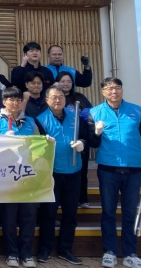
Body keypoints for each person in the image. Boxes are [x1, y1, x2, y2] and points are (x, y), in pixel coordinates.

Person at [88, 77, 141, 268]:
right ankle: (109, 251)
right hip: (108, 169)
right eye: (109, 88)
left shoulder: (137, 111)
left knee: (130, 212)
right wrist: (96, 133)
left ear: (122, 90)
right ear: (103, 92)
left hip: (134, 168)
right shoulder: (95, 112)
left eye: (117, 88)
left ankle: (130, 253)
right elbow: (93, 143)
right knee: (108, 212)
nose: (114, 92)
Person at [36, 85, 91, 265]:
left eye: (61, 96)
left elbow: (87, 137)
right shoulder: (40, 120)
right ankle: (45, 248)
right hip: (52, 173)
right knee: (48, 213)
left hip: (74, 171)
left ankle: (66, 249)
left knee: (70, 213)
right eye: (54, 97)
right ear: (47, 100)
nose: (58, 100)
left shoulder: (75, 117)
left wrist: (82, 143)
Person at [0, 87, 40, 268]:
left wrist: (46, 142)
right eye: (11, 99)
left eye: (18, 100)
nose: (15, 103)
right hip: (6, 178)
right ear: (4, 102)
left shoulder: (30, 122)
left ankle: (26, 254)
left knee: (28, 216)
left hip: (27, 176)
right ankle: (11, 254)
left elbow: (39, 146)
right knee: (9, 218)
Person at [55, 71, 93, 208]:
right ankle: (61, 200)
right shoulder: (54, 98)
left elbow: (91, 114)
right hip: (61, 141)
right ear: (57, 83)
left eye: (69, 81)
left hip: (79, 138)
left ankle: (82, 198)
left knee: (81, 170)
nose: (66, 84)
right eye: (63, 81)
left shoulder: (79, 97)